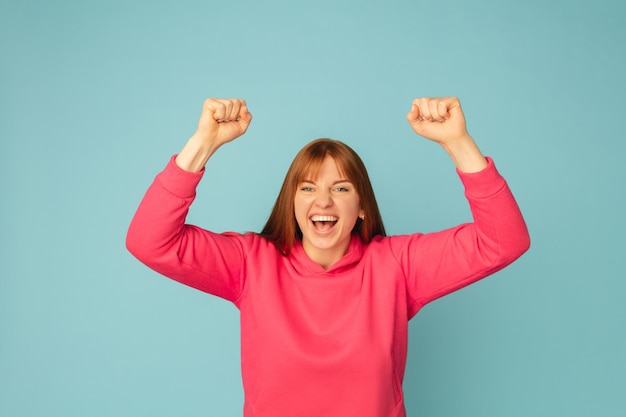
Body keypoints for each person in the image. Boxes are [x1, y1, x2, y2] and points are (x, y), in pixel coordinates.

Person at [126, 97, 530, 417]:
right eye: (307, 188)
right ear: (292, 203)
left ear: (362, 208)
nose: (323, 200)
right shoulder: (252, 263)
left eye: (340, 188)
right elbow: (150, 241)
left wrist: (458, 143)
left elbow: (503, 242)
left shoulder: (397, 265)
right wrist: (203, 144)